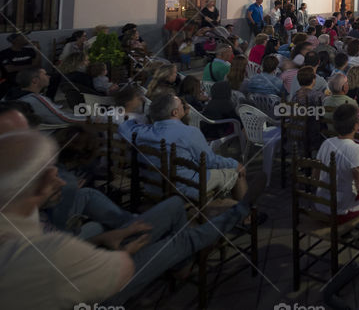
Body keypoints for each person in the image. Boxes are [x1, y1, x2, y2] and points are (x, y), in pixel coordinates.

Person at [0, 128, 267, 307]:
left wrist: (108, 236)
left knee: (174, 204)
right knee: (180, 240)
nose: (60, 180)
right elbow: (92, 268)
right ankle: (240, 210)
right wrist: (121, 249)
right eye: (51, 176)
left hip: (92, 248)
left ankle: (179, 262)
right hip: (101, 282)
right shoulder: (36, 248)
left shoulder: (23, 217)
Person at [120, 93, 245, 199]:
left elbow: (123, 126)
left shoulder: (140, 132)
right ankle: (246, 215)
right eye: (181, 105)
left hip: (154, 187)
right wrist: (235, 164)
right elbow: (210, 161)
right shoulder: (190, 132)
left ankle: (217, 205)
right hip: (185, 188)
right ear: (175, 112)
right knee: (236, 171)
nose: (185, 106)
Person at [315, 103, 359, 221]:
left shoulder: (326, 143)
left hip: (321, 204)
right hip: (341, 211)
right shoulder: (356, 149)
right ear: (357, 125)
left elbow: (315, 176)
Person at [15, 68, 84, 125]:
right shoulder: (35, 99)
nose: (49, 76)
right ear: (35, 80)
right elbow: (65, 119)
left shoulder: (14, 96)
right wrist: (91, 118)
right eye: (45, 74)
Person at [0, 32, 40, 98]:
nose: (27, 38)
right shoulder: (5, 53)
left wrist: (38, 50)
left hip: (30, 75)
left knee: (53, 77)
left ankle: (47, 101)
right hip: (13, 78)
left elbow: (38, 65)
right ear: (15, 40)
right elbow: (9, 69)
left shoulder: (30, 50)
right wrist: (32, 65)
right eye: (24, 36)